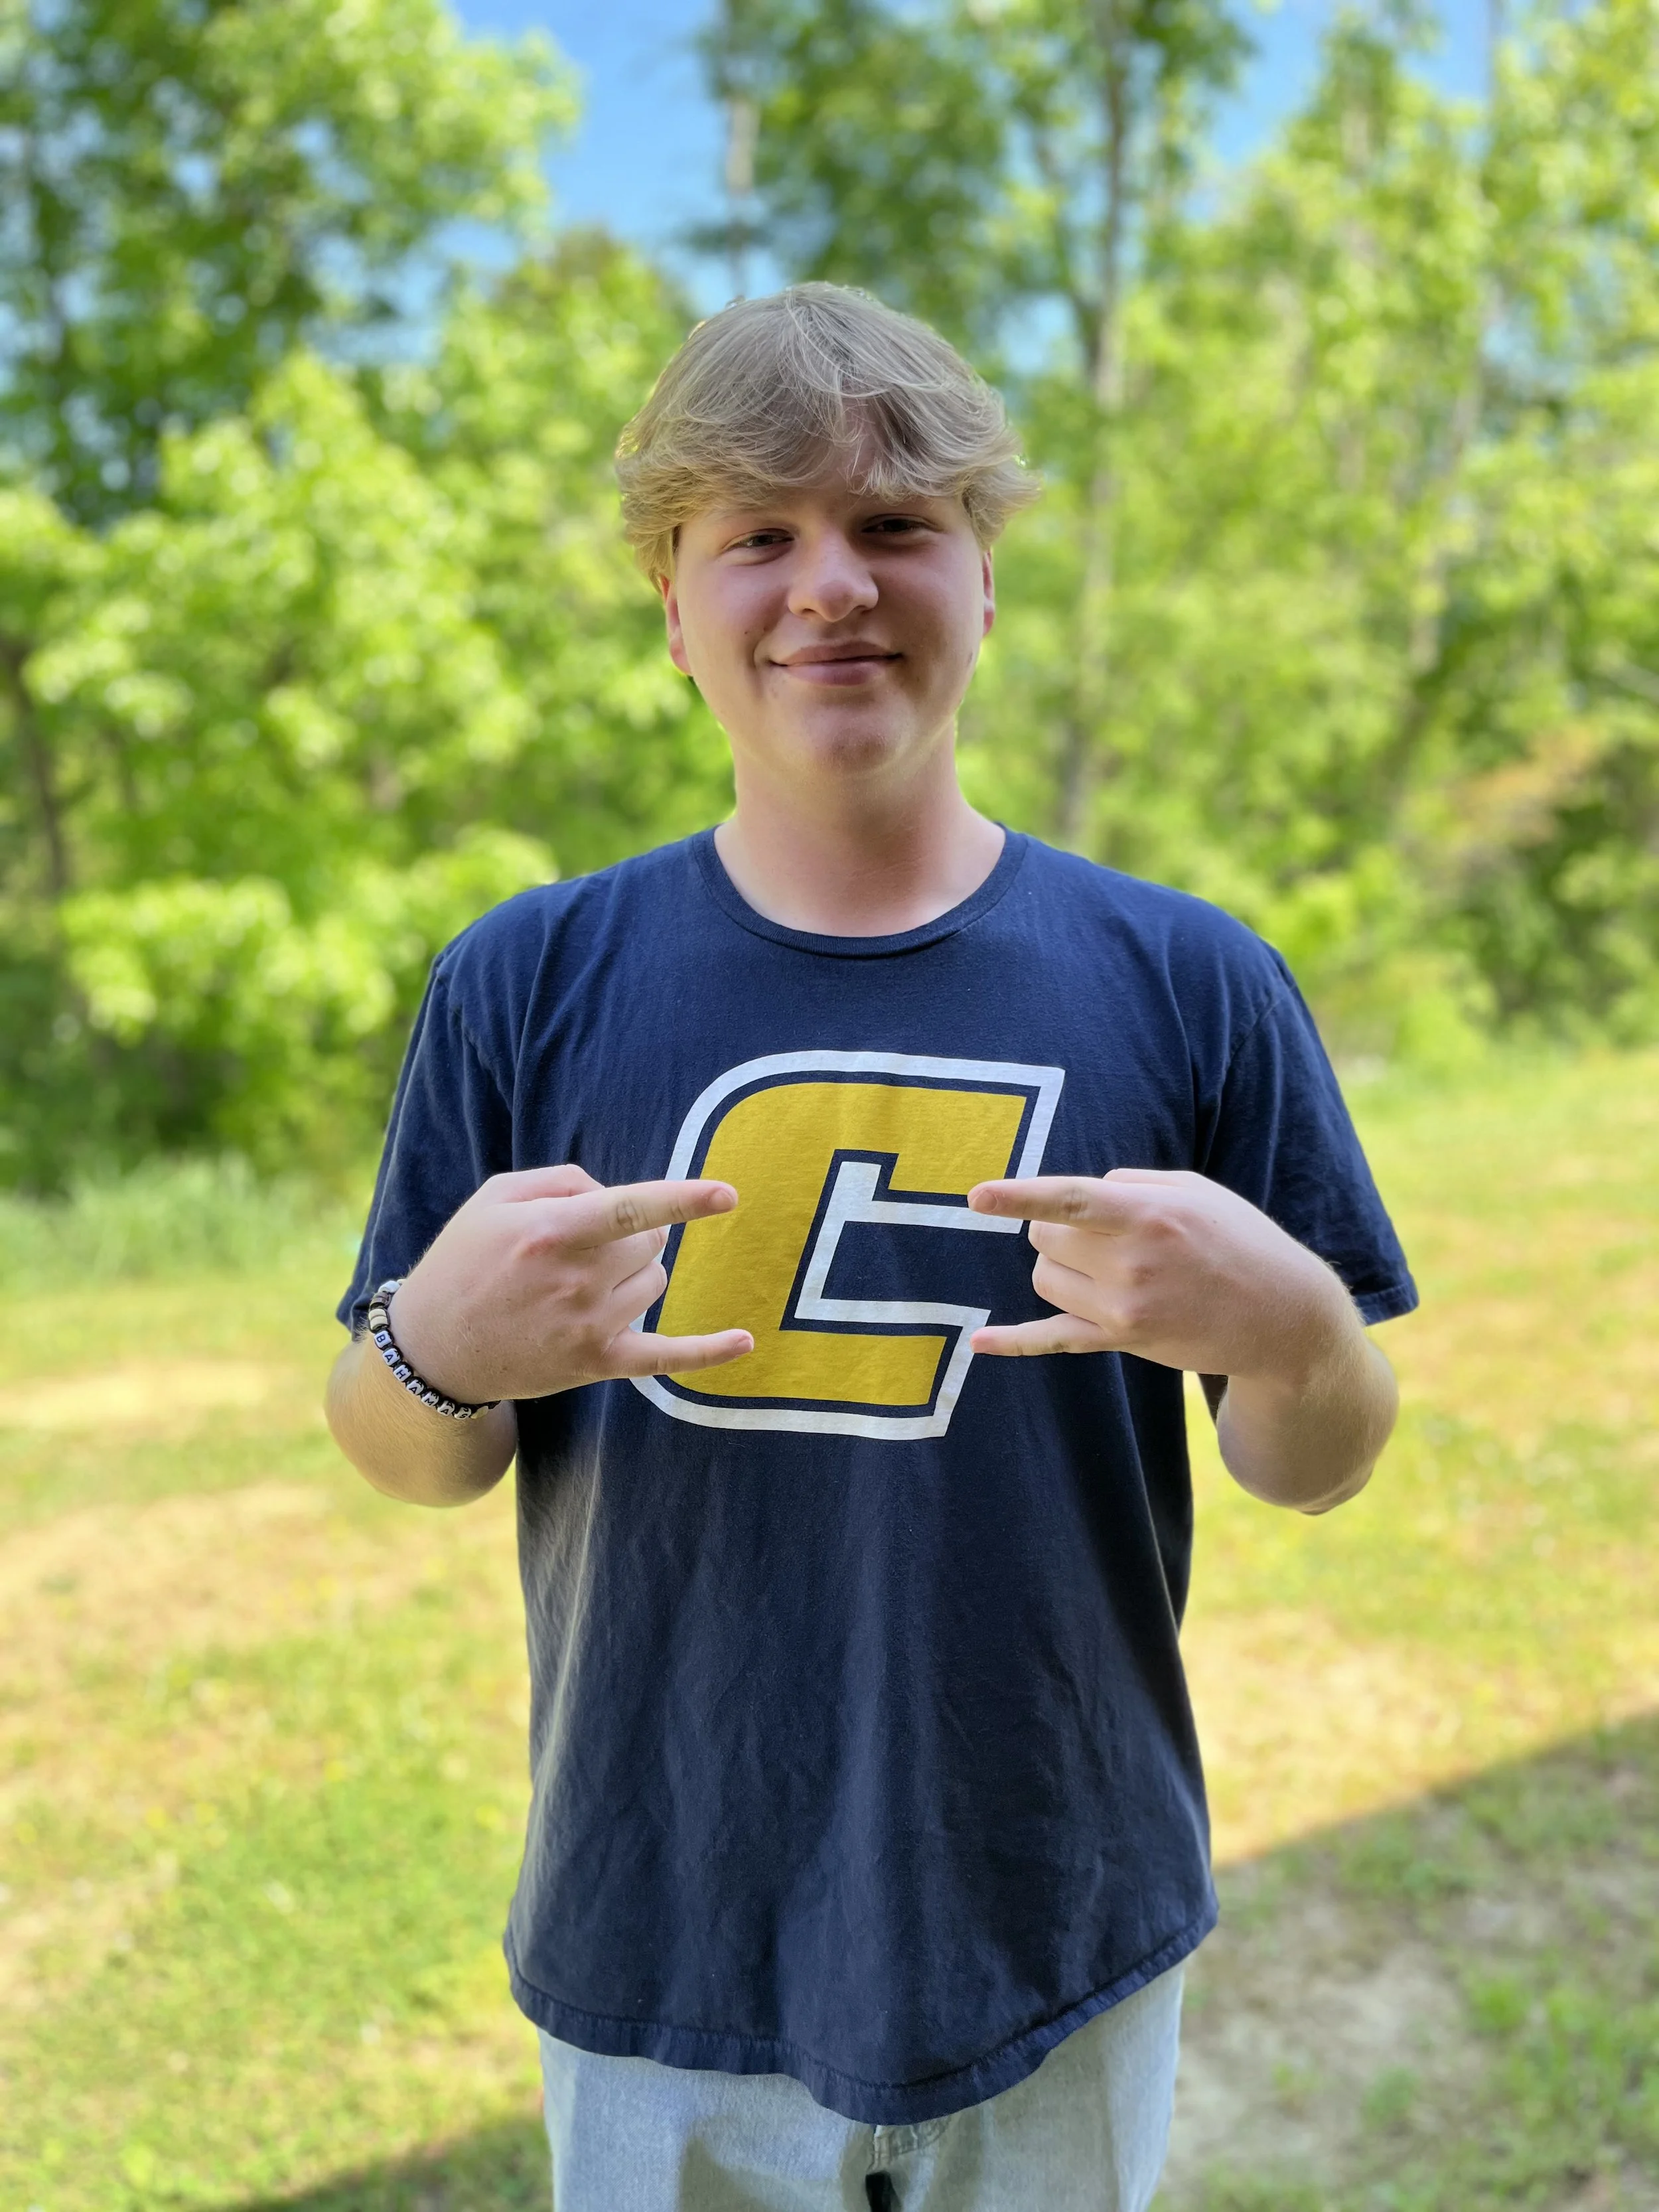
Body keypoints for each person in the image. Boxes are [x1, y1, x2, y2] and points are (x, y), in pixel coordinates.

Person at [325, 283, 1415, 2211]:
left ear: (984, 578)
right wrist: (437, 1348)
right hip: (656, 1922)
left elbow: (1311, 1457)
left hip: (1051, 1921)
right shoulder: (529, 979)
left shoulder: (1185, 977)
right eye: (757, 534)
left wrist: (1297, 1333)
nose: (830, 582)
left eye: (895, 525)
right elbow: (404, 1439)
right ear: (673, 609)